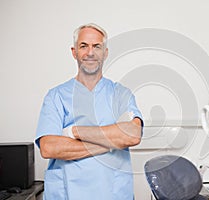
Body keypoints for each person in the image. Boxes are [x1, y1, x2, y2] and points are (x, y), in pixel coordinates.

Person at [35, 23, 143, 200]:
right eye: (84, 46)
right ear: (74, 52)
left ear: (105, 53)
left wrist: (74, 132)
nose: (90, 52)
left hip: (113, 193)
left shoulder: (121, 94)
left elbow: (132, 135)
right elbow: (49, 148)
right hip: (67, 193)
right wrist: (110, 143)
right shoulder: (56, 96)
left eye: (97, 46)